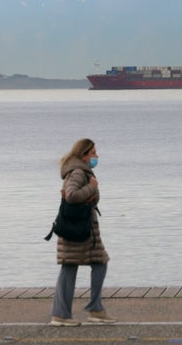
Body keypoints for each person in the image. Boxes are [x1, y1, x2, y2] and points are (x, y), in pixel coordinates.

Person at [50, 138, 117, 326]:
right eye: (93, 152)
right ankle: (63, 314)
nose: (97, 156)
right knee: (71, 267)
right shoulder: (78, 172)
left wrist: (91, 191)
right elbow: (71, 196)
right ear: (84, 155)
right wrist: (92, 187)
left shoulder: (81, 170)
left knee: (97, 263)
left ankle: (94, 309)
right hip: (77, 230)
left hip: (85, 230)